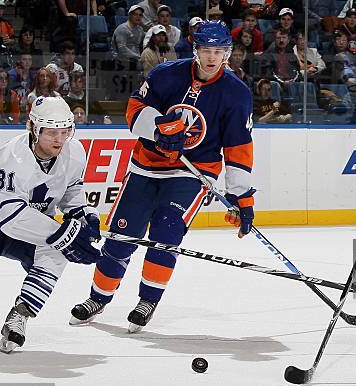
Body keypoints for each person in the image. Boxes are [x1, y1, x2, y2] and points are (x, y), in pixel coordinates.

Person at [70, 21, 255, 333]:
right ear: (196, 50)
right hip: (145, 167)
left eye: (219, 51)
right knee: (120, 237)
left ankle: (148, 300)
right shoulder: (166, 74)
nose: (212, 58)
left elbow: (238, 149)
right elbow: (134, 108)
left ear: (228, 53)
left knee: (166, 234)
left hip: (193, 173)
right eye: (206, 50)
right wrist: (157, 129)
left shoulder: (236, 94)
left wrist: (243, 198)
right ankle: (98, 298)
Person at [0, 96, 101, 353]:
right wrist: (64, 233)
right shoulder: (12, 156)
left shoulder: (74, 151)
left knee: (56, 252)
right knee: (60, 241)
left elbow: (72, 189)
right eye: (52, 132)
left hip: (36, 225)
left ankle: (20, 315)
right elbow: (11, 218)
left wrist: (83, 214)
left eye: (65, 132)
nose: (59, 140)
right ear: (33, 128)